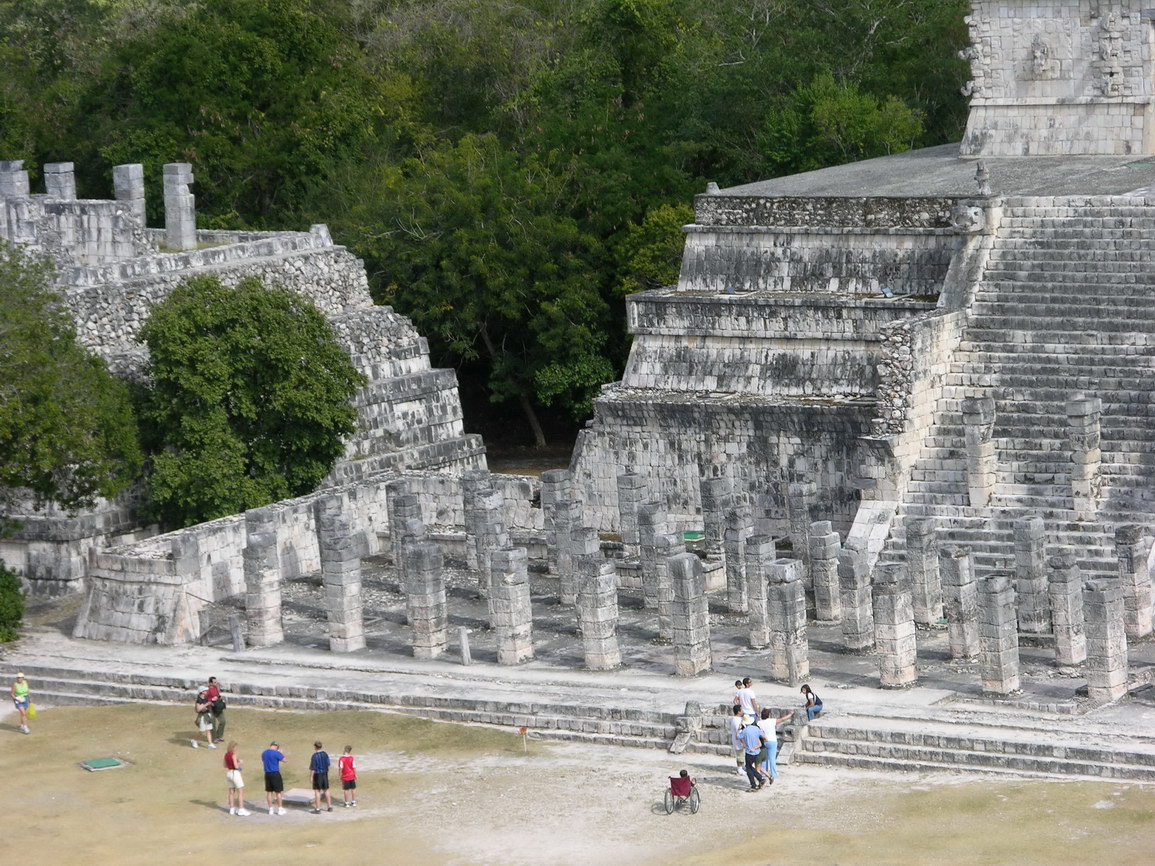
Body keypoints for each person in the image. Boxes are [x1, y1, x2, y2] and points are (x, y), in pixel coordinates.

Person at [757, 707, 793, 783]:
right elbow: (782, 719)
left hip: (763, 741)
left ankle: (764, 773)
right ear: (769, 715)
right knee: (772, 758)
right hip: (772, 741)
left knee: (763, 758)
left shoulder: (759, 723)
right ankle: (774, 773)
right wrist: (790, 715)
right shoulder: (771, 721)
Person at [737, 715, 768, 792]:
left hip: (749, 752)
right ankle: (760, 779)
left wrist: (739, 728)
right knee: (750, 767)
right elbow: (763, 736)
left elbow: (738, 736)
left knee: (748, 769)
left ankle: (754, 785)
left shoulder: (745, 731)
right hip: (757, 751)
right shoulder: (756, 729)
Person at [224, 741, 251, 816]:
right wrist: (240, 763)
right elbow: (236, 766)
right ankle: (241, 809)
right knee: (240, 791)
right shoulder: (233, 755)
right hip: (235, 773)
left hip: (229, 773)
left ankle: (232, 809)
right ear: (233, 747)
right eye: (235, 747)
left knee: (231, 792)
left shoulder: (226, 755)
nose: (236, 748)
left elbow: (224, 765)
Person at [261, 741, 287, 815]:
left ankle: (270, 809)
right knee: (278, 792)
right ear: (276, 747)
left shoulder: (264, 753)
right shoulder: (276, 753)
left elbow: (264, 760)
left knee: (269, 792)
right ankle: (280, 809)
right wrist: (280, 753)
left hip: (267, 774)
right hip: (275, 773)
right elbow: (285, 760)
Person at [310, 741, 332, 813]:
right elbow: (328, 765)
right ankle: (329, 807)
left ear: (315, 747)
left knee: (317, 791)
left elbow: (313, 768)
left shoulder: (314, 756)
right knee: (326, 790)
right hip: (324, 774)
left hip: (317, 774)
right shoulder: (325, 754)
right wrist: (326, 771)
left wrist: (311, 777)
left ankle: (318, 808)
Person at [204, 676, 226, 744]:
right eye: (214, 682)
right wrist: (211, 700)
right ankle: (214, 738)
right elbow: (205, 699)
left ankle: (219, 735)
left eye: (216, 682)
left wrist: (219, 698)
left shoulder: (216, 688)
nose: (216, 683)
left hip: (218, 706)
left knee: (223, 721)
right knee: (213, 723)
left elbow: (218, 695)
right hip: (211, 707)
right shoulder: (207, 690)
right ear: (210, 683)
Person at [728, 705, 746, 776]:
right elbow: (738, 732)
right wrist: (742, 742)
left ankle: (741, 767)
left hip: (739, 740)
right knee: (740, 755)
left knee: (741, 755)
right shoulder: (736, 720)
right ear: (738, 711)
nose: (743, 711)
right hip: (738, 741)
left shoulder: (738, 719)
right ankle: (739, 769)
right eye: (742, 710)